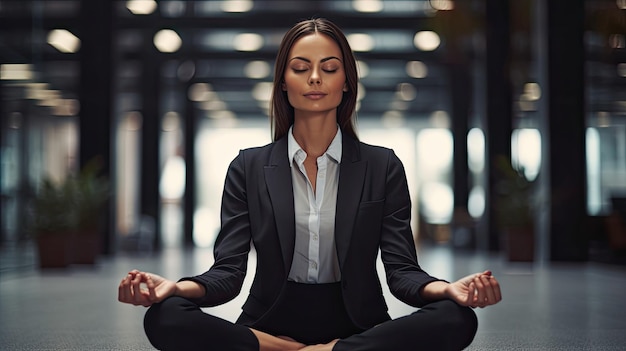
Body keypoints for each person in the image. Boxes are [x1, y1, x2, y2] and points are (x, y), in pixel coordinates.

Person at [118, 18, 502, 351]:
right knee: (164, 317)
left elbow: (402, 273)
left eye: (329, 68)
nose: (315, 78)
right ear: (283, 82)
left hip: (358, 323)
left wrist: (450, 290)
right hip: (268, 320)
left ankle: (334, 349)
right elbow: (228, 274)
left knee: (457, 318)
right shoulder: (248, 166)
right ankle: (274, 347)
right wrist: (173, 288)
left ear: (347, 82)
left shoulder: (382, 165)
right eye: (300, 68)